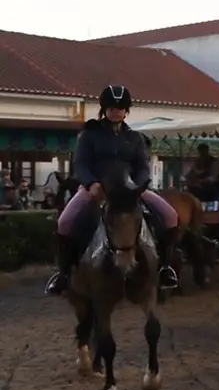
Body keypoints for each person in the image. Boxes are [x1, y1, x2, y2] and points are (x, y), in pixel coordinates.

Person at [46, 85, 180, 295]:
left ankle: (165, 268)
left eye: (120, 108)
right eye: (111, 107)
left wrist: (137, 186)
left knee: (171, 216)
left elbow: (143, 168)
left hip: (130, 190)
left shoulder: (135, 138)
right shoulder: (89, 135)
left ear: (126, 111)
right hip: (96, 188)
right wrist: (91, 183)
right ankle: (63, 274)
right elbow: (81, 164)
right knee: (64, 222)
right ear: (104, 109)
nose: (116, 111)